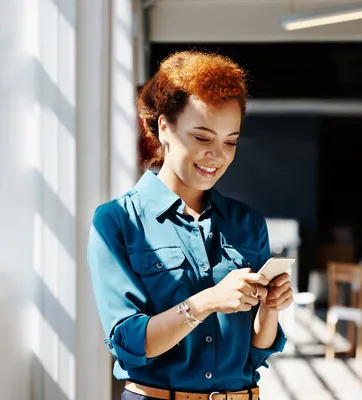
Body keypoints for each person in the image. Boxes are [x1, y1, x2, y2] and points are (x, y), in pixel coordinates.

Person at [87, 50, 293, 400]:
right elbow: (129, 343)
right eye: (202, 137)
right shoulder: (118, 221)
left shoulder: (248, 223)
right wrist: (208, 301)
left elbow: (256, 350)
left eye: (230, 142)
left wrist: (270, 308)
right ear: (165, 127)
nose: (218, 155)